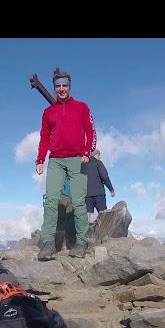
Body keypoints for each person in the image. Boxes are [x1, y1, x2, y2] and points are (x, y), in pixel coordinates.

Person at [35, 70, 96, 260]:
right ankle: (47, 244)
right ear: (54, 88)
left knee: (78, 202)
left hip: (78, 158)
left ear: (69, 86)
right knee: (51, 200)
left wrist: (87, 152)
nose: (61, 89)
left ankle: (81, 242)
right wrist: (40, 159)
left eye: (64, 85)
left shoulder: (82, 107)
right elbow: (44, 138)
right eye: (58, 86)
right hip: (56, 160)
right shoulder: (48, 112)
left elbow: (91, 132)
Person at [86, 148, 115, 222]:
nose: (99, 157)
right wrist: (111, 189)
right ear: (94, 155)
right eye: (98, 155)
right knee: (104, 217)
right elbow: (105, 177)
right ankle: (104, 233)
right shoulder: (98, 163)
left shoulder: (84, 164)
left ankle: (84, 233)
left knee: (86, 218)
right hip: (99, 195)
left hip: (86, 195)